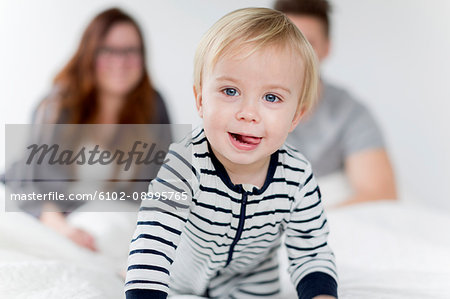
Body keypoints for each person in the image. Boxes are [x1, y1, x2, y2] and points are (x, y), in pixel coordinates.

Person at [125, 7, 337, 299]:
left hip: (252, 290)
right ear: (201, 100)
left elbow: (311, 251)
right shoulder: (185, 163)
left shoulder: (296, 176)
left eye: (271, 97)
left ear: (295, 117)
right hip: (175, 285)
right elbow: (153, 242)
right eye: (230, 91)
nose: (248, 113)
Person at [2, 8, 172, 253]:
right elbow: (28, 186)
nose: (121, 62)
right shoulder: (58, 106)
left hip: (111, 221)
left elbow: (165, 185)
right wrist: (64, 230)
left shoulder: (154, 107)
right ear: (90, 54)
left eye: (131, 51)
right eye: (109, 50)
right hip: (54, 215)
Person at [274, 0, 396, 207]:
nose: (296, 53)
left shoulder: (350, 112)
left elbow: (380, 194)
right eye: (286, 40)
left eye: (308, 43)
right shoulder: (243, 108)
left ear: (326, 49)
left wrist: (307, 222)